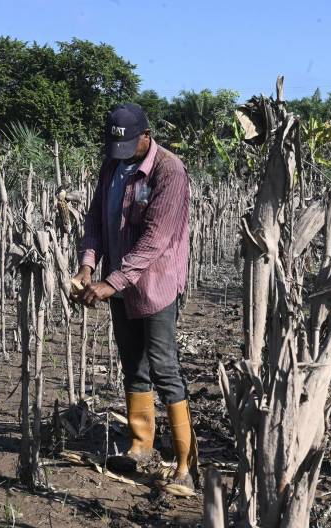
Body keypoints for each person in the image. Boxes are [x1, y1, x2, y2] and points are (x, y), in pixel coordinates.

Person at [71, 102, 195, 495]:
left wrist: (113, 281)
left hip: (154, 285)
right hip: (118, 284)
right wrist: (87, 266)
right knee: (132, 364)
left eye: (127, 148)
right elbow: (94, 220)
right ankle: (141, 446)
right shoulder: (112, 166)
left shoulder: (169, 171)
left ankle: (184, 465)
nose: (120, 157)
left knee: (164, 368)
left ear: (147, 135)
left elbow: (155, 240)